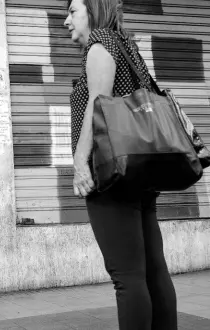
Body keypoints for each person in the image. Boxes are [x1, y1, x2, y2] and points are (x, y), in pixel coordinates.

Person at [64, 0, 177, 329]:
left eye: (73, 11)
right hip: (140, 171)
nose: (66, 21)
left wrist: (80, 161)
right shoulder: (125, 43)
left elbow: (98, 106)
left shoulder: (100, 43)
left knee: (127, 277)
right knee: (153, 271)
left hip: (112, 173)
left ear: (93, 9)